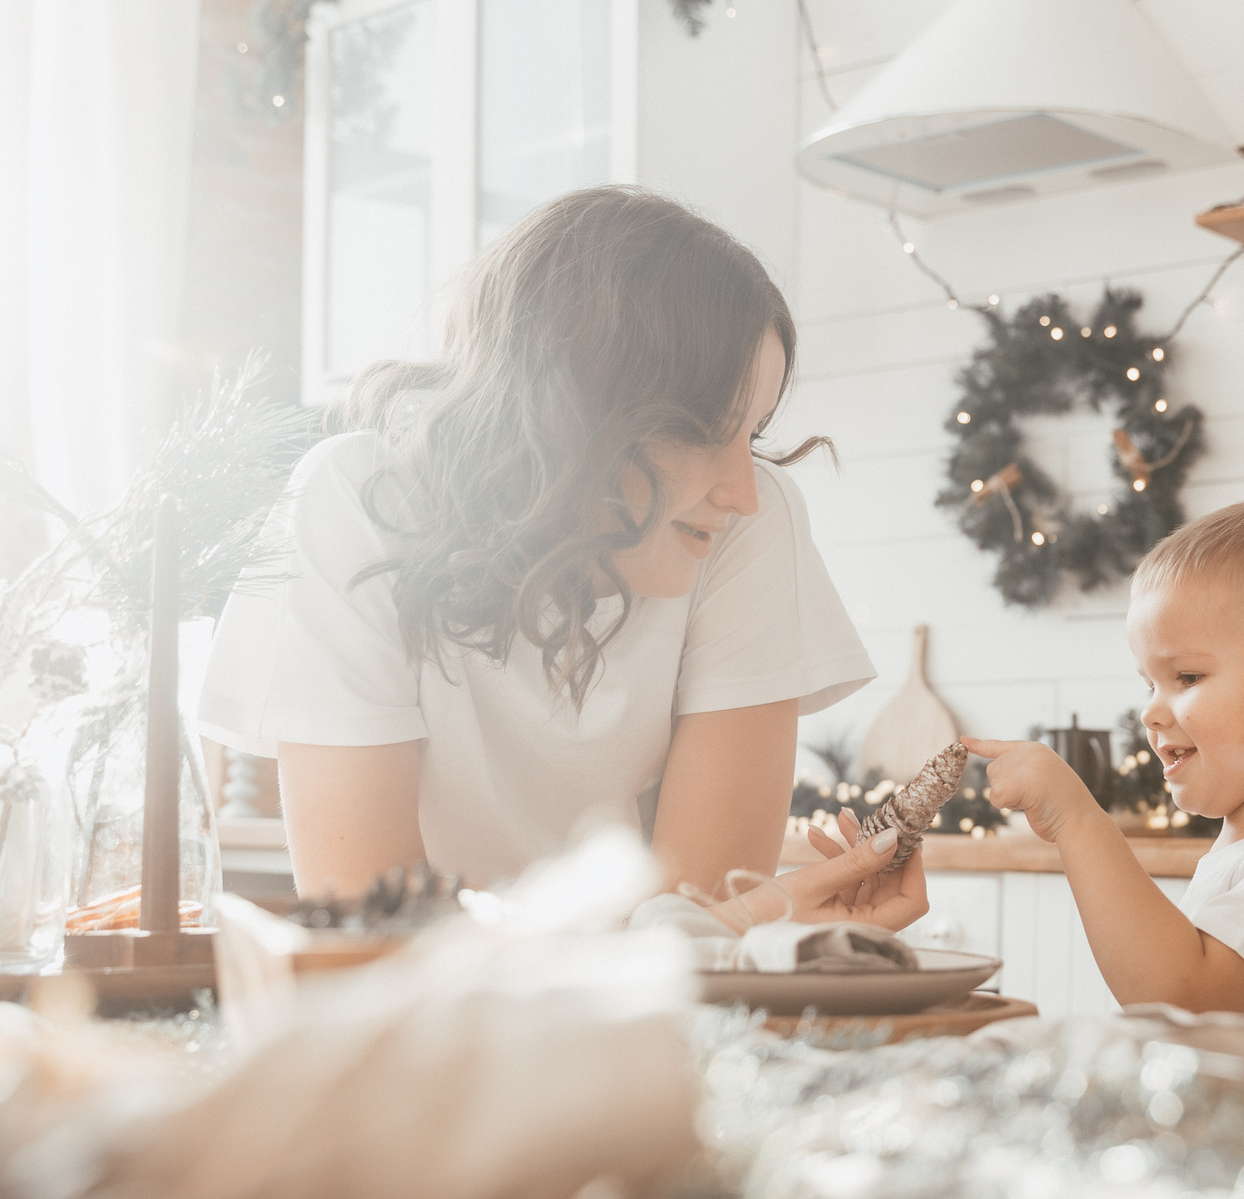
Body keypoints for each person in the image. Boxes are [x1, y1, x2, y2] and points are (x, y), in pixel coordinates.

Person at [199, 186, 923, 928]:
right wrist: (690, 933)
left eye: (756, 432)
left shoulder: (747, 526)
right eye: (706, 430)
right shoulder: (355, 498)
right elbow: (372, 928)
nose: (743, 490)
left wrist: (706, 932)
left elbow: (701, 917)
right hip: (425, 1032)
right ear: (571, 412)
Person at [967, 494, 1244, 1011]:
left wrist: (1078, 819)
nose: (1150, 713)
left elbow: (1181, 996)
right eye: (1148, 685)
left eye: (1188, 677)